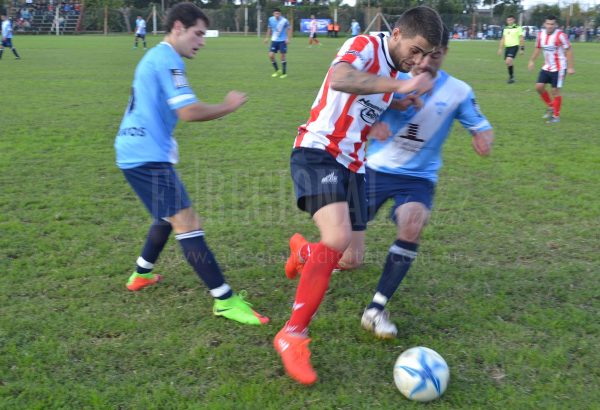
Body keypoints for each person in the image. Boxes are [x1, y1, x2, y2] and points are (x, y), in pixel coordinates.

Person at [274, 6, 444, 385]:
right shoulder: (365, 44)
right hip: (318, 152)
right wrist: (400, 88)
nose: (417, 61)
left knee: (350, 258)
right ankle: (293, 334)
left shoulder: (399, 69)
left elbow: (369, 101)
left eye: (425, 55)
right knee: (335, 238)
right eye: (415, 51)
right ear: (397, 33)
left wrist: (399, 103)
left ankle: (304, 252)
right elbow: (341, 77)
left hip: (354, 165)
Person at [114, 2, 269, 326]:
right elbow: (189, 111)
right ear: (178, 28)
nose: (201, 41)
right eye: (197, 33)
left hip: (137, 150)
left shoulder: (156, 56)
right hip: (144, 155)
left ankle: (141, 273)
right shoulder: (167, 59)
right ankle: (224, 299)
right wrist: (227, 106)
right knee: (187, 222)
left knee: (166, 216)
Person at [337, 25, 493, 339]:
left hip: (418, 178)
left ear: (444, 53)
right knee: (349, 257)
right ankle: (304, 252)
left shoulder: (459, 91)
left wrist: (482, 137)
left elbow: (480, 124)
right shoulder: (393, 81)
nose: (425, 61)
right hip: (373, 170)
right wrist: (373, 127)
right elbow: (354, 113)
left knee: (413, 222)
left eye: (435, 55)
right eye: (421, 54)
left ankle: (376, 309)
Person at [527, 15, 575, 124]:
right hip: (547, 66)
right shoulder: (540, 34)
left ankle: (556, 116)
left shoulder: (560, 35)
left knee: (555, 91)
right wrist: (531, 60)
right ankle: (551, 106)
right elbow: (538, 48)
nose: (549, 26)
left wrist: (571, 67)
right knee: (539, 87)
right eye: (548, 24)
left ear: (555, 25)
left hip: (559, 67)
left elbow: (568, 50)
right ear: (544, 24)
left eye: (552, 24)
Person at [264, 8, 291, 79]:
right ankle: (277, 70)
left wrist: (288, 38)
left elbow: (289, 29)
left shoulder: (284, 20)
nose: (277, 15)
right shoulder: (270, 19)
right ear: (273, 14)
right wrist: (267, 37)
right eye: (276, 13)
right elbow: (269, 29)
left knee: (282, 56)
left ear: (280, 14)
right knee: (271, 55)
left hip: (282, 41)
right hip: (274, 40)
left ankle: (284, 73)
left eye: (278, 13)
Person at [497, 15, 524, 84]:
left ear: (513, 20)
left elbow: (521, 38)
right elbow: (503, 39)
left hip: (514, 46)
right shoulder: (506, 28)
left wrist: (522, 48)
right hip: (507, 47)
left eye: (511, 20)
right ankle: (511, 77)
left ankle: (511, 78)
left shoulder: (518, 28)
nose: (509, 21)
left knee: (508, 60)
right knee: (508, 62)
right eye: (508, 20)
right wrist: (500, 48)